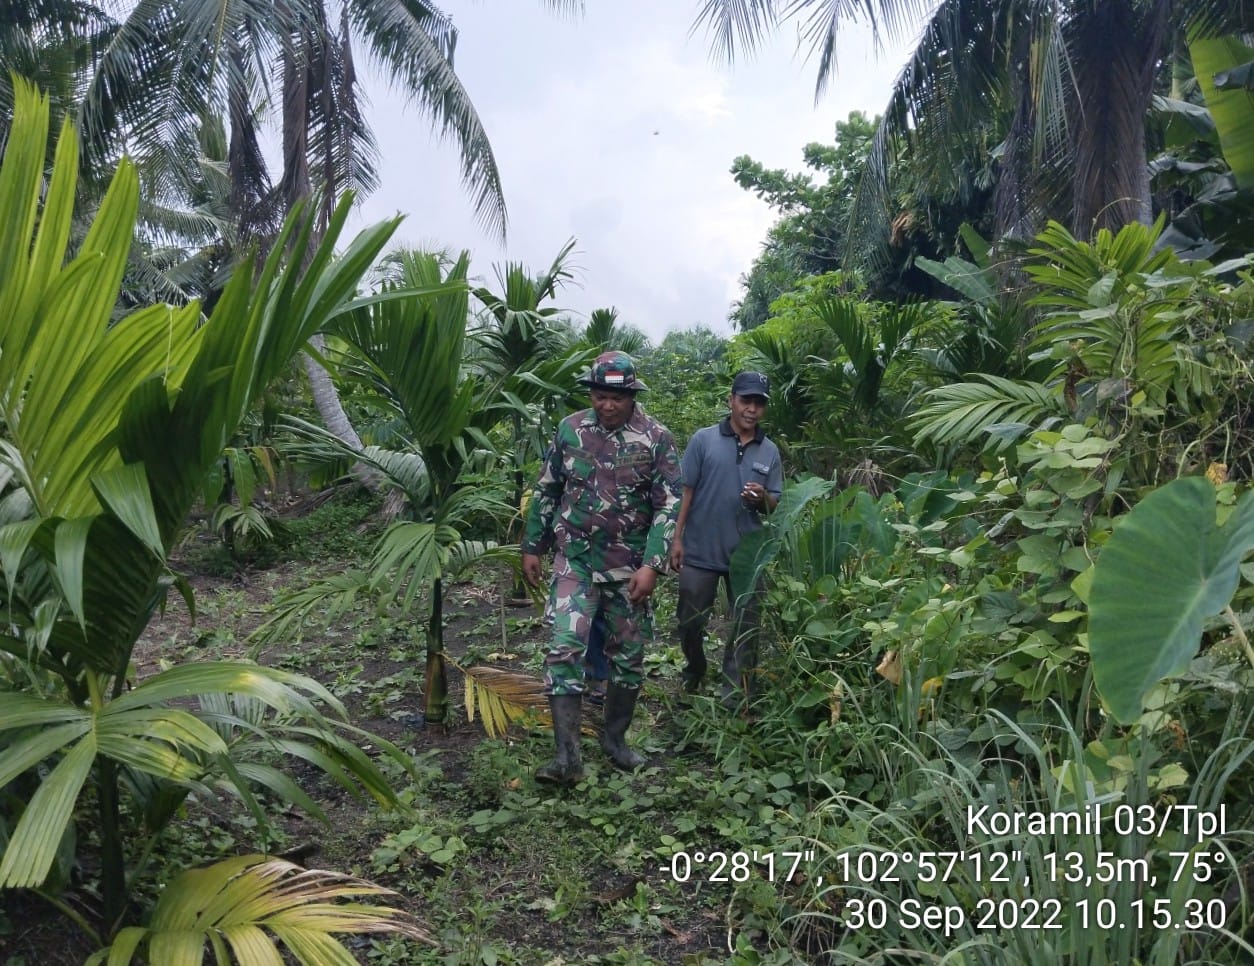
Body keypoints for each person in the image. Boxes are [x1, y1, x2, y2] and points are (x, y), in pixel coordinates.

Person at [521, 351, 682, 785]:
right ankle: (567, 758)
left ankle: (615, 742)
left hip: (627, 568)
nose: (606, 405)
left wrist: (652, 564)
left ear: (631, 395)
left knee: (628, 659)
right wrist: (532, 545)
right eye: (599, 395)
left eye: (615, 397)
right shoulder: (570, 430)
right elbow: (548, 488)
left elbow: (668, 504)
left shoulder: (655, 439)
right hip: (574, 560)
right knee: (563, 650)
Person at [669, 371, 783, 705]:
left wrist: (762, 497)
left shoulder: (770, 450)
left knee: (746, 624)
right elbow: (685, 491)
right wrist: (676, 539)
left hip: (747, 555)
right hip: (701, 549)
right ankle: (695, 668)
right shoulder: (704, 440)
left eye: (759, 403)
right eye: (746, 400)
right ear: (731, 399)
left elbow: (774, 503)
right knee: (689, 620)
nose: (752, 410)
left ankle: (735, 696)